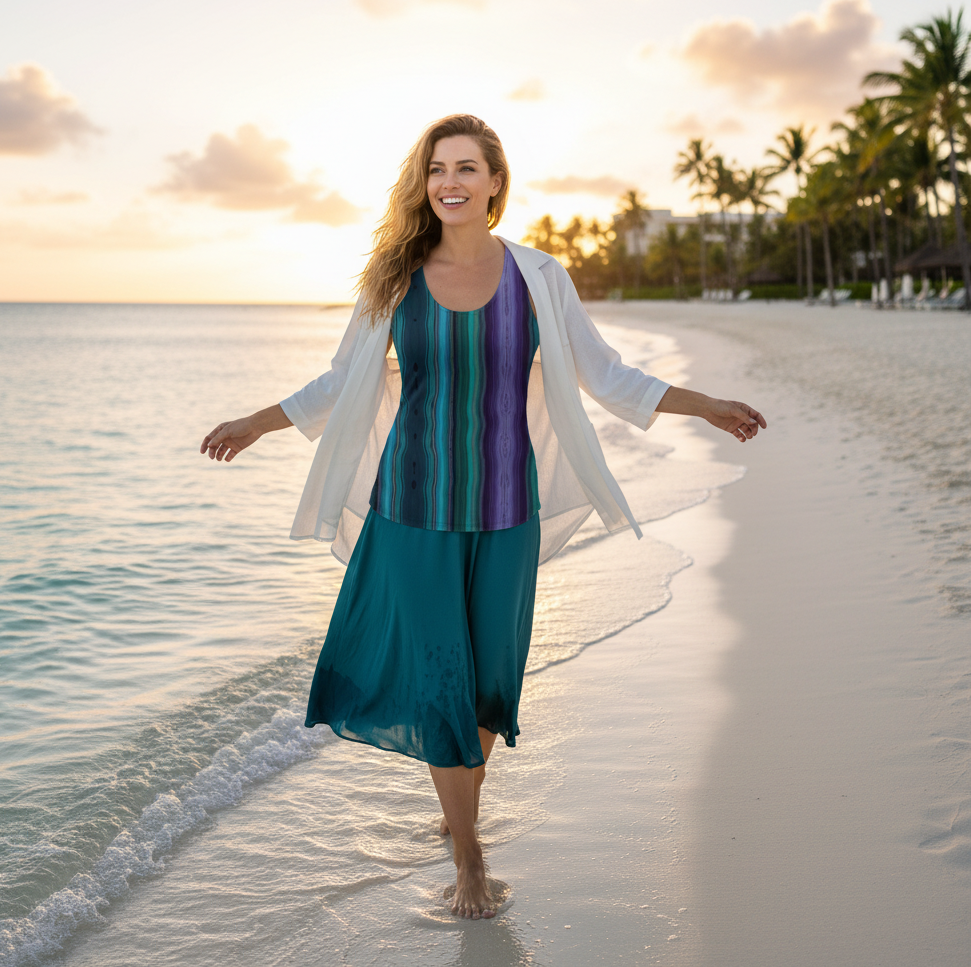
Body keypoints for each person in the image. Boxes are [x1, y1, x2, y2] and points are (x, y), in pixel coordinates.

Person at [200, 113, 766, 921]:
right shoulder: (393, 280)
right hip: (413, 511)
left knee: (489, 688)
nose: (450, 183)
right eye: (437, 170)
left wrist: (703, 405)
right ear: (424, 183)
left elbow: (606, 374)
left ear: (496, 182)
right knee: (440, 683)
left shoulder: (540, 277)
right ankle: (470, 856)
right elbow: (337, 383)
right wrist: (255, 423)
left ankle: (458, 804)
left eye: (467, 168)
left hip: (507, 512)